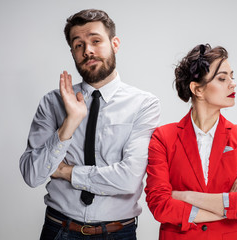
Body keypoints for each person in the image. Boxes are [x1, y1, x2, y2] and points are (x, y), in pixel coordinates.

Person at [20, 9, 160, 239]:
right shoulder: (52, 102)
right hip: (59, 229)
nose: (88, 51)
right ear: (72, 52)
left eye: (96, 40)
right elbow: (32, 174)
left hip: (118, 232)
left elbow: (129, 179)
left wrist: (66, 171)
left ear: (114, 43)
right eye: (78, 45)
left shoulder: (144, 104)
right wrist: (69, 124)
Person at [145, 44, 237, 239]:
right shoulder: (163, 138)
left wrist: (185, 196)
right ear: (197, 89)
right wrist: (227, 205)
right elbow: (160, 205)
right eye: (222, 78)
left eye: (232, 77)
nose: (233, 84)